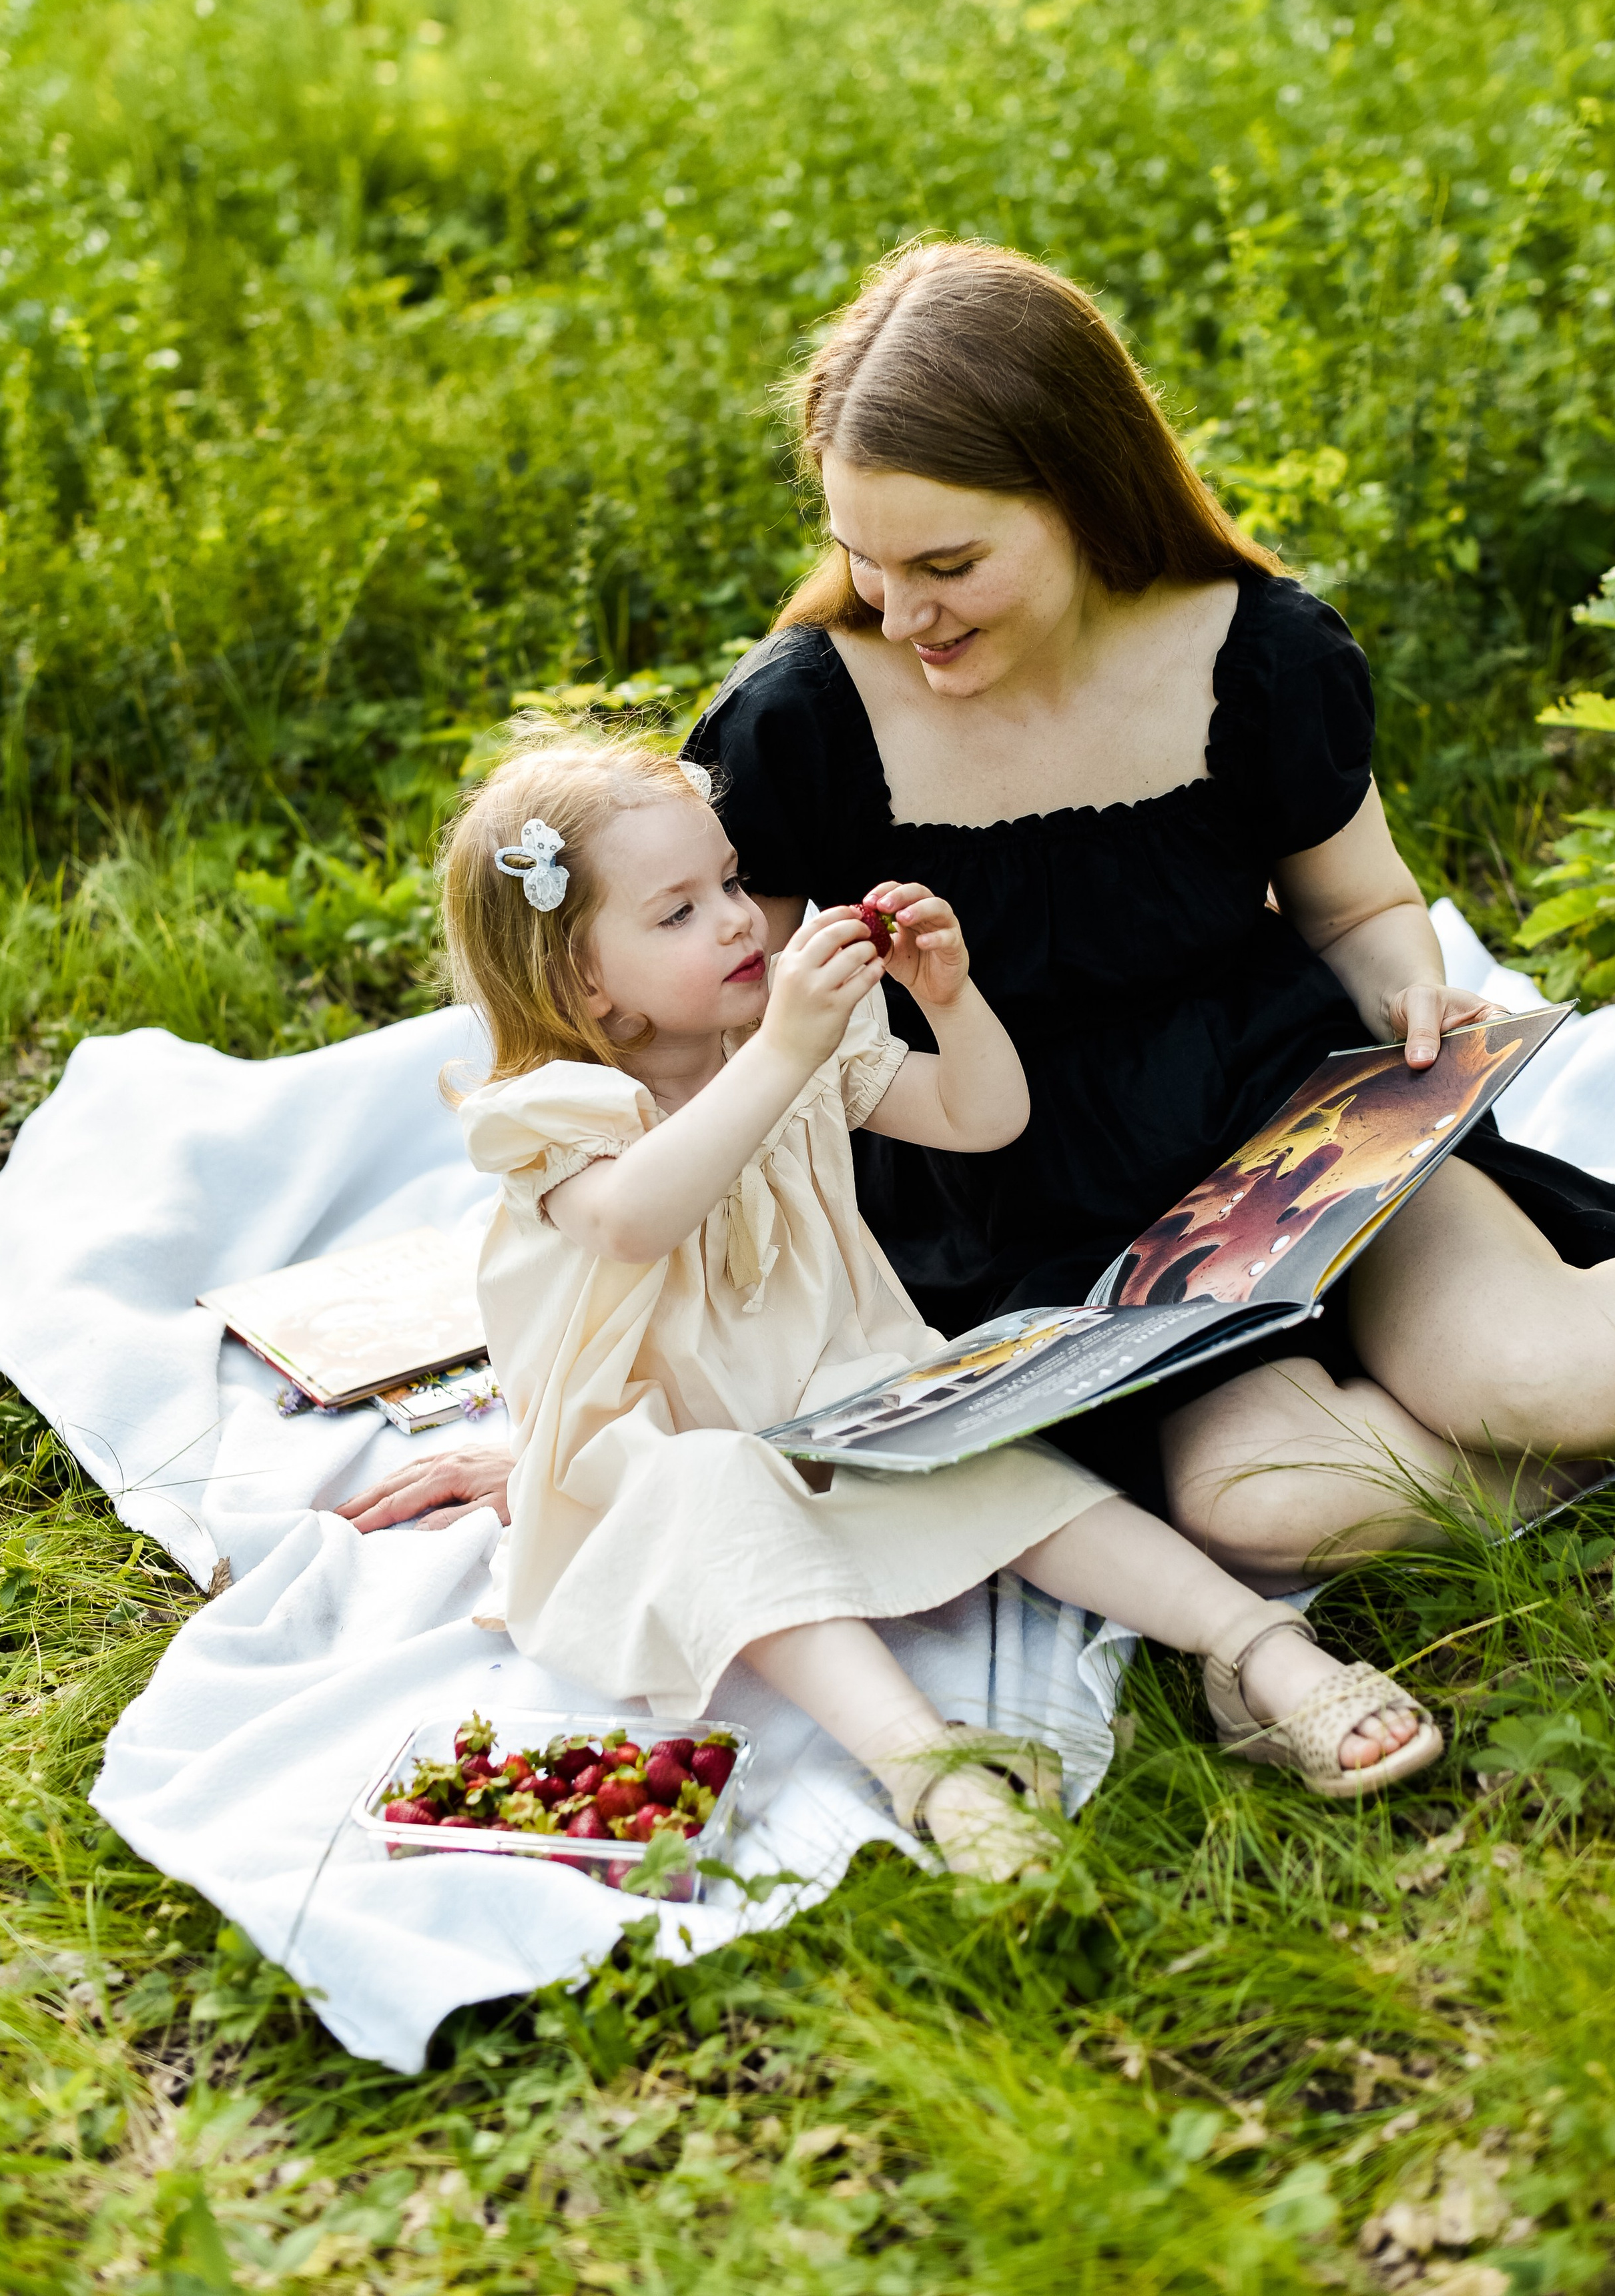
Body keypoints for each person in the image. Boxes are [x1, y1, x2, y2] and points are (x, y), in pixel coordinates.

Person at [675, 241, 1615, 1590]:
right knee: (1269, 1506)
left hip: (1291, 1129)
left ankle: (1559, 1418)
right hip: (1036, 1214)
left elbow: (1360, 906)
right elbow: (711, 1028)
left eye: (947, 563)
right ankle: (1593, 1454)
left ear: (1084, 495)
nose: (900, 609)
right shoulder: (800, 720)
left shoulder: (1254, 651)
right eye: (863, 559)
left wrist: (1405, 987)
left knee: (1531, 1371)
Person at [336, 726, 1449, 1869]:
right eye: (677, 914)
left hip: (829, 1386)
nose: (737, 920)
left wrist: (951, 1001)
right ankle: (928, 1764)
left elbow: (983, 1119)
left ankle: (1252, 1645)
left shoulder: (784, 1043)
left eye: (732, 882)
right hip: (657, 1446)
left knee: (988, 1450)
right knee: (711, 1498)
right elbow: (634, 1220)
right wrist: (782, 1052)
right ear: (583, 982)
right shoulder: (555, 1111)